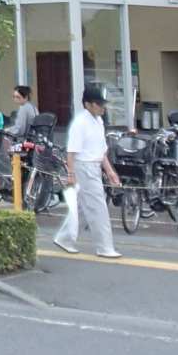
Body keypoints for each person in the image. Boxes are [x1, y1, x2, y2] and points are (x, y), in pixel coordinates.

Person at [53, 83, 121, 257]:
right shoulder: (80, 123)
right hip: (83, 167)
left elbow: (101, 151)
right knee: (98, 208)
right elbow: (71, 152)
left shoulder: (98, 122)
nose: (102, 107)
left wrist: (110, 171)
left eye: (102, 103)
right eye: (98, 104)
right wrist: (71, 174)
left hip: (94, 167)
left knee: (84, 208)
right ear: (88, 104)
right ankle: (105, 247)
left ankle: (64, 238)